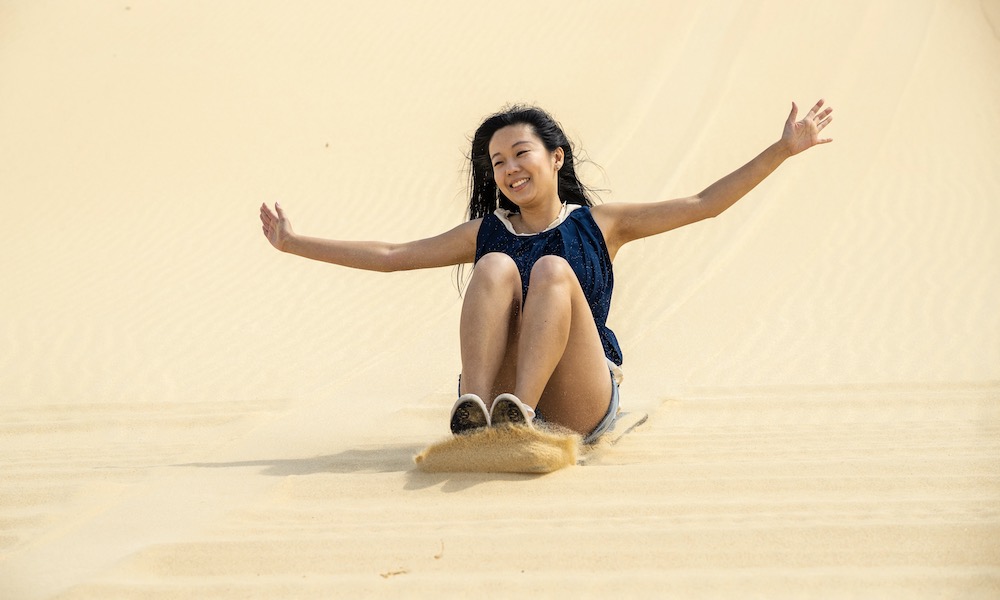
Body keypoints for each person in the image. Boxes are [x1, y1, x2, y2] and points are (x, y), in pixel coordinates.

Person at [259, 100, 833, 443]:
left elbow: (704, 203)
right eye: (498, 162)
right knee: (494, 268)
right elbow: (391, 256)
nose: (509, 169)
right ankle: (480, 419)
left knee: (555, 270)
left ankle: (521, 416)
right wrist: (293, 243)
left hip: (579, 395)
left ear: (556, 157)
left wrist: (783, 149)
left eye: (521, 154)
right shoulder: (486, 233)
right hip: (502, 382)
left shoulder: (603, 224)